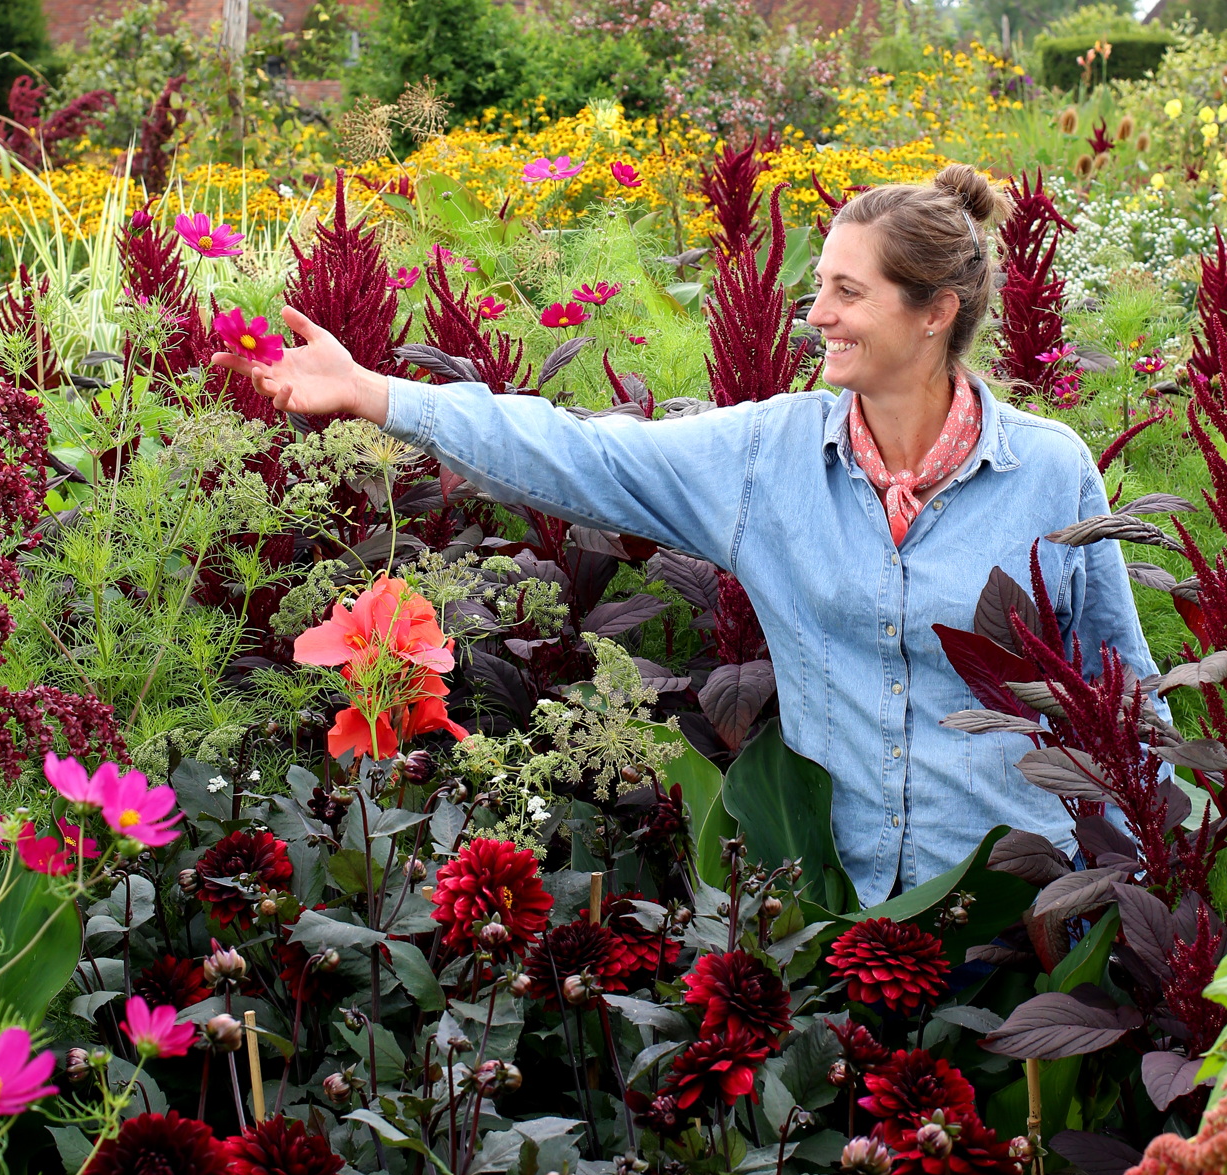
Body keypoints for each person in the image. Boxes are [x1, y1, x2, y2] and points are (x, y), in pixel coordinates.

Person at [214, 165, 1157, 906]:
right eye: (818, 285)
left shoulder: (1045, 471)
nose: (817, 313)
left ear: (934, 312)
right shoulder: (767, 459)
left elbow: (1123, 691)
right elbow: (581, 456)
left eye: (846, 292)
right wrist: (377, 394)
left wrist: (1149, 879)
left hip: (1020, 906)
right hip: (836, 903)